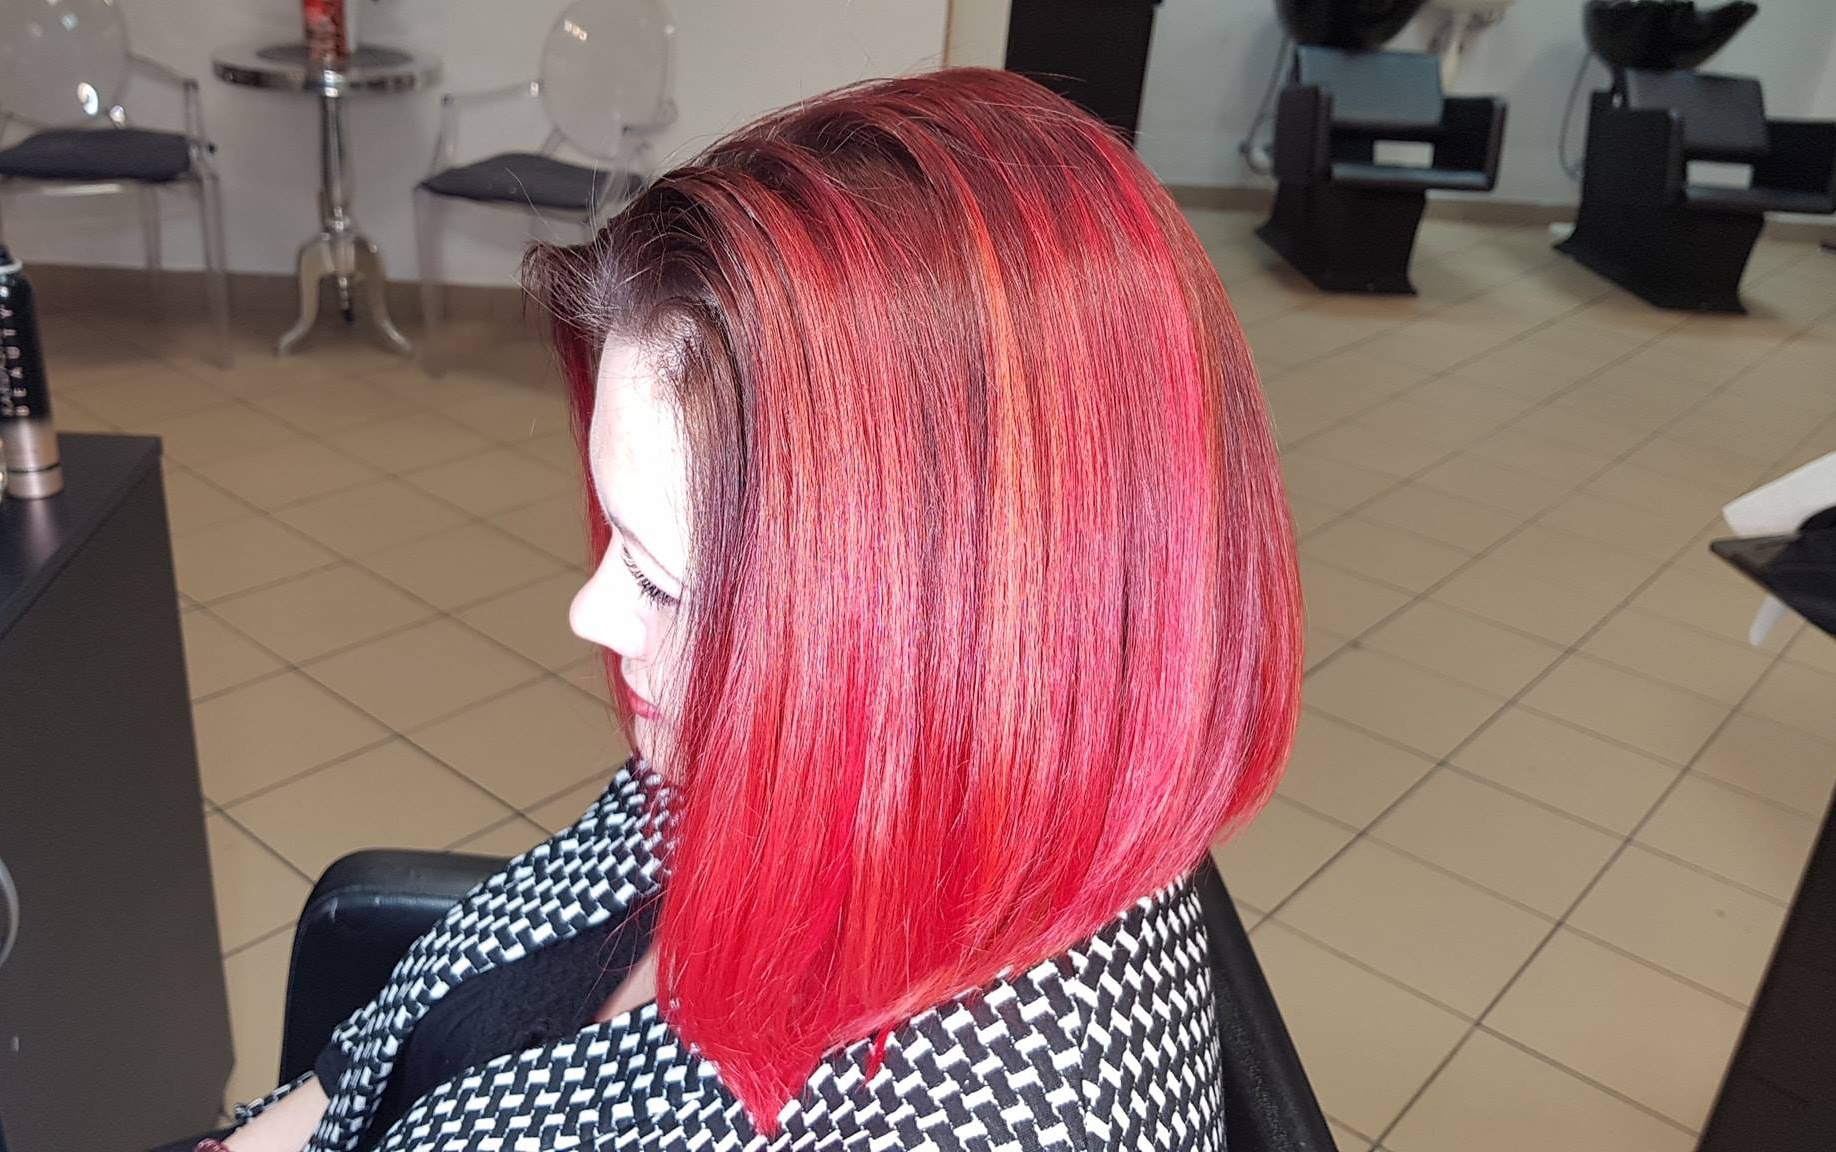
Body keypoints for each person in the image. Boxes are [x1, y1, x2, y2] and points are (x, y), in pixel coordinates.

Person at [215, 65, 1300, 1152]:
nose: (593, 613)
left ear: (936, 641)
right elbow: (433, 1007)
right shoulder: (836, 757)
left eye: (657, 580)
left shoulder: (968, 1120)